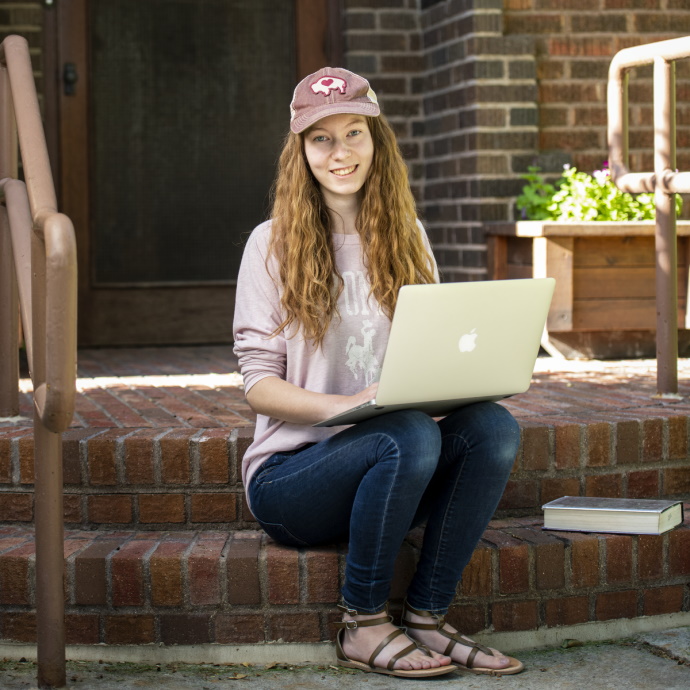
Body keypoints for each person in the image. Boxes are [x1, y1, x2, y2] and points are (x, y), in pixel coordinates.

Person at [233, 67, 524, 679]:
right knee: (408, 433)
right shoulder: (270, 245)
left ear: (377, 141)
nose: (341, 153)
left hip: (394, 468)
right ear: (300, 151)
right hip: (294, 480)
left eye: (355, 134)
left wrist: (467, 375)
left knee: (492, 426)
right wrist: (349, 407)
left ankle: (426, 617)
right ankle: (363, 624)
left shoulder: (408, 236)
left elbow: (434, 352)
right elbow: (259, 385)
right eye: (322, 138)